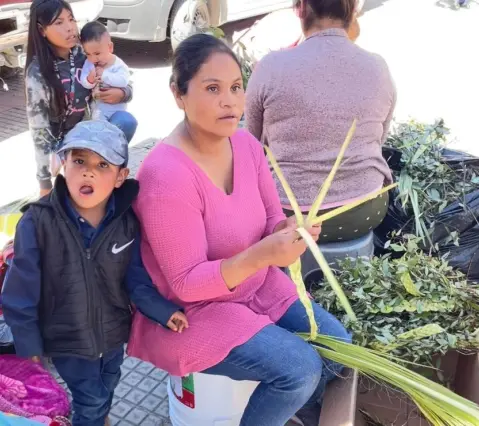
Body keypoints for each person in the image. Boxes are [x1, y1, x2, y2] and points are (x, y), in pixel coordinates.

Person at [126, 34, 351, 426]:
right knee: (299, 370)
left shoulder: (246, 145)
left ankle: (280, 410)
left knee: (338, 350)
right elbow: (186, 284)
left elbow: (268, 221)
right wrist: (263, 255)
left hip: (257, 286)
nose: (230, 101)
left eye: (235, 87)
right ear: (178, 94)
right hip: (194, 312)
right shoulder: (165, 176)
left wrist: (288, 231)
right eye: (212, 89)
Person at [2, 120, 189, 426]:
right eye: (79, 161)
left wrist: (164, 311)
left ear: (120, 177)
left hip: (113, 333)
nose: (88, 171)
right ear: (63, 164)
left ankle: (98, 415)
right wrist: (29, 346)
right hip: (66, 339)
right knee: (91, 398)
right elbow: (19, 294)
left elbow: (135, 278)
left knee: (108, 383)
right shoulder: (37, 223)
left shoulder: (126, 222)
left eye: (102, 164)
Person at [245, 0, 396, 243]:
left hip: (286, 216)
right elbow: (380, 138)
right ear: (353, 10)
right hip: (365, 210)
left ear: (301, 8)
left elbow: (251, 145)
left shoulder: (270, 67)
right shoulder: (378, 67)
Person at [25, 0, 138, 198]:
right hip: (60, 143)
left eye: (71, 19)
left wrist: (124, 93)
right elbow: (39, 128)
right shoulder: (38, 72)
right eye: (59, 23)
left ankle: (112, 181)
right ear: (42, 30)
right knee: (71, 192)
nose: (70, 28)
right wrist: (44, 182)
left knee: (125, 122)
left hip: (87, 131)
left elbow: (121, 73)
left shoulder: (83, 53)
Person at [79, 22, 132, 129]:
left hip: (116, 109)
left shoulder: (118, 64)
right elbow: (84, 80)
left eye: (97, 53)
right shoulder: (89, 63)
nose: (93, 58)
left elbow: (123, 81)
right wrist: (89, 80)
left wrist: (104, 75)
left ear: (110, 47)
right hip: (98, 110)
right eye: (88, 54)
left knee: (116, 130)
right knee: (98, 129)